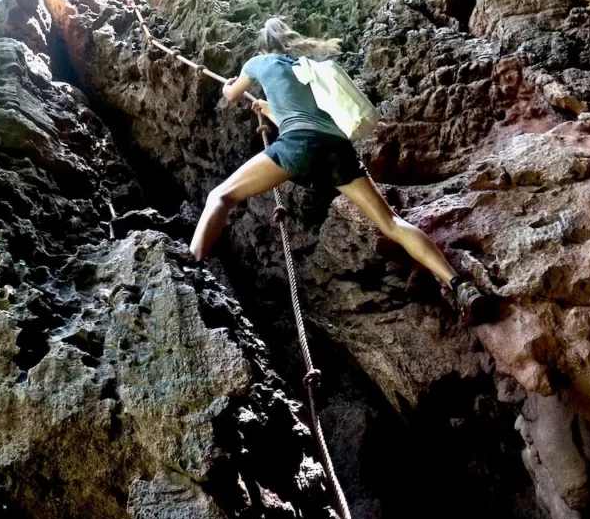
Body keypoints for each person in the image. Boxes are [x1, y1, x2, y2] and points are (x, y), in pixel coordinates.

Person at [189, 18, 483, 320]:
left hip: (299, 144)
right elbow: (307, 123)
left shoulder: (258, 62)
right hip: (337, 148)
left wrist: (229, 85)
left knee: (220, 197)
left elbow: (233, 94)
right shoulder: (306, 68)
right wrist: (268, 110)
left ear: (264, 47)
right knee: (392, 224)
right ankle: (459, 284)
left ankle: (192, 271)